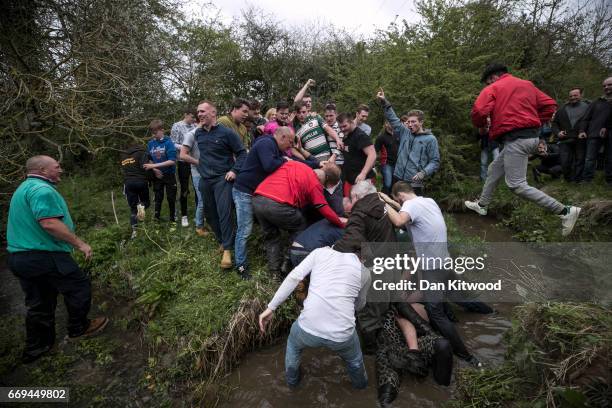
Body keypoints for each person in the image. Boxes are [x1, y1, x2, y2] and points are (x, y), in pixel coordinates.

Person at [6, 156, 109, 363]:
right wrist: (80, 244)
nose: (61, 170)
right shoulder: (42, 190)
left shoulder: (24, 188)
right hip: (44, 255)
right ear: (43, 170)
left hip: (20, 257)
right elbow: (49, 223)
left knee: (40, 303)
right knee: (78, 286)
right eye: (57, 167)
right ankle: (79, 328)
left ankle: (38, 349)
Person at [464, 63, 581, 236]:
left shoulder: (495, 87)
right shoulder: (527, 84)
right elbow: (550, 105)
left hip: (516, 139)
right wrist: (531, 120)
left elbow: (479, 110)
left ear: (493, 77)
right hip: (529, 137)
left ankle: (565, 211)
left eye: (488, 81)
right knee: (494, 168)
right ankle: (482, 205)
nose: (488, 85)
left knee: (516, 185)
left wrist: (481, 127)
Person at [381, 181, 481, 367]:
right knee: (457, 295)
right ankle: (489, 311)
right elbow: (406, 211)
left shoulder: (409, 206)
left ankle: (466, 356)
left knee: (436, 313)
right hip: (444, 260)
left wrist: (384, 204)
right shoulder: (428, 201)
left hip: (433, 268)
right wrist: (390, 200)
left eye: (397, 201)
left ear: (400, 196)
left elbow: (399, 220)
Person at [258, 246, 370, 389]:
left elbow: (294, 276)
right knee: (354, 360)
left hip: (307, 327)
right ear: (363, 257)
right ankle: (361, 389)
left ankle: (292, 384)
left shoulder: (320, 252)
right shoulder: (365, 272)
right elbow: (359, 305)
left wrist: (271, 307)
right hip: (342, 335)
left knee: (293, 344)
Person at [252, 161, 345, 276]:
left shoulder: (296, 164)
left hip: (258, 198)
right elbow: (324, 209)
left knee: (271, 237)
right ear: (327, 181)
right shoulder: (315, 183)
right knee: (300, 226)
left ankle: (274, 272)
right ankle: (289, 262)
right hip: (277, 205)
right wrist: (342, 224)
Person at [232, 126, 294, 279]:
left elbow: (290, 160)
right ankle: (240, 266)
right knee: (245, 230)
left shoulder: (275, 149)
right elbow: (269, 165)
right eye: (290, 142)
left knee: (260, 226)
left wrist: (315, 164)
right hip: (244, 192)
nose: (291, 146)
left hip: (254, 193)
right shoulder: (266, 143)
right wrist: (284, 160)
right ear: (282, 137)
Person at [195, 100, 247, 269]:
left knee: (224, 213)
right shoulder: (198, 134)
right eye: (198, 112)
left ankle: (228, 250)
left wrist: (234, 171)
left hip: (222, 179)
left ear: (213, 113)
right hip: (205, 180)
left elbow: (241, 154)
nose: (200, 114)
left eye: (203, 111)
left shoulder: (227, 133)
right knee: (209, 214)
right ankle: (221, 241)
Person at [376, 90, 440, 195]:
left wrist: (423, 173)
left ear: (421, 122)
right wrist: (384, 102)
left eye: (413, 122)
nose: (410, 125)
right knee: (397, 206)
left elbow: (435, 161)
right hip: (398, 177)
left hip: (414, 181)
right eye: (409, 122)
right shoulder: (405, 132)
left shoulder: (430, 139)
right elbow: (393, 119)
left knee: (412, 209)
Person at [578, 77, 612, 185]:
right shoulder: (596, 102)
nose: (606, 87)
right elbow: (586, 118)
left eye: (609, 85)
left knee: (610, 158)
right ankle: (587, 180)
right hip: (594, 133)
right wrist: (582, 130)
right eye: (604, 86)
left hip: (611, 134)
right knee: (590, 158)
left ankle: (609, 180)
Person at [551, 88, 589, 182]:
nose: (573, 97)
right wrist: (558, 132)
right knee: (565, 160)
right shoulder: (562, 109)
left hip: (581, 138)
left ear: (580, 95)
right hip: (565, 139)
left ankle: (578, 179)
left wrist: (585, 131)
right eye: (571, 96)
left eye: (575, 95)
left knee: (580, 159)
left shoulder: (588, 107)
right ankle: (568, 178)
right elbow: (554, 123)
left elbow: (592, 121)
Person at [144, 119, 177, 223]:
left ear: (161, 130)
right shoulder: (150, 144)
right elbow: (150, 159)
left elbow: (172, 161)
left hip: (169, 175)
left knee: (171, 198)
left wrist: (154, 166)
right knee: (158, 198)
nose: (153, 135)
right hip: (157, 176)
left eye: (155, 133)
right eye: (152, 133)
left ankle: (172, 220)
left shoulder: (169, 142)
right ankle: (156, 220)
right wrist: (154, 169)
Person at [179, 117, 208, 237]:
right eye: (202, 120)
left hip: (209, 171)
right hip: (197, 172)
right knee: (202, 200)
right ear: (197, 122)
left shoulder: (209, 133)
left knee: (209, 199)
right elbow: (183, 155)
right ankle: (199, 226)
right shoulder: (191, 135)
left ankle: (208, 221)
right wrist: (198, 162)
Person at [337, 112, 376, 196]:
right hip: (349, 180)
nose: (342, 129)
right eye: (340, 127)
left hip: (363, 181)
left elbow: (372, 154)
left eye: (344, 126)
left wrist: (363, 173)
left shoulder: (360, 135)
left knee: (364, 206)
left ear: (351, 122)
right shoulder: (347, 135)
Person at [170, 109, 197, 227]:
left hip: (195, 160)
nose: (193, 119)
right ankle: (184, 215)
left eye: (194, 118)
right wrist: (186, 147)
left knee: (198, 187)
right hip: (183, 161)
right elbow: (172, 142)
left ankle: (199, 213)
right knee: (185, 188)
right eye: (192, 117)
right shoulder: (177, 126)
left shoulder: (195, 125)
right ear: (185, 115)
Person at [120, 142, 153, 237]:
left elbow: (124, 169)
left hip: (128, 183)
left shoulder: (123, 155)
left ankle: (134, 231)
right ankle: (141, 207)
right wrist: (151, 179)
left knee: (133, 208)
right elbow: (145, 167)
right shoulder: (141, 152)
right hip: (141, 181)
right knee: (146, 202)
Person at [375, 121, 401, 194]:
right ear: (386, 124)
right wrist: (374, 165)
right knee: (387, 184)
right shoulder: (381, 137)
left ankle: (392, 201)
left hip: (397, 163)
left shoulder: (397, 135)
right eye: (390, 123)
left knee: (395, 184)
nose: (392, 124)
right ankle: (383, 199)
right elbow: (375, 151)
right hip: (386, 163)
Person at [323, 103, 345, 168]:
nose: (329, 118)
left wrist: (334, 156)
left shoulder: (340, 127)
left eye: (331, 115)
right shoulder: (325, 127)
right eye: (326, 116)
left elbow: (341, 144)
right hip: (328, 161)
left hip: (340, 161)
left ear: (336, 115)